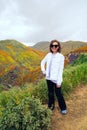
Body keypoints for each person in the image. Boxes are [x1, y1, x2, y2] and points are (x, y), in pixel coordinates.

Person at [41, 40, 67, 114]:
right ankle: (51, 107)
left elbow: (60, 70)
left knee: (58, 94)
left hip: (56, 79)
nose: (54, 47)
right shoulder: (48, 55)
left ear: (58, 47)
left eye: (55, 46)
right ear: (50, 47)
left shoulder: (61, 57)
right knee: (50, 94)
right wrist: (43, 71)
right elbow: (42, 62)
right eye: (52, 46)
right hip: (48, 78)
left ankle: (63, 108)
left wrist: (59, 81)